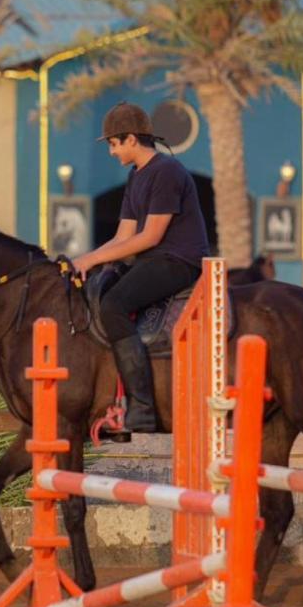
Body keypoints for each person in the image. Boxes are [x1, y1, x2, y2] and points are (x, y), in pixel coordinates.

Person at [73, 102, 210, 435]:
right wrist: (84, 261)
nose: (111, 151)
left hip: (178, 260)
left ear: (131, 139)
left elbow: (151, 236)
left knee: (114, 305)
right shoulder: (136, 176)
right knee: (98, 291)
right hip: (152, 259)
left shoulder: (168, 172)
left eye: (113, 143)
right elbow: (123, 236)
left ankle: (142, 410)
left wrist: (93, 260)